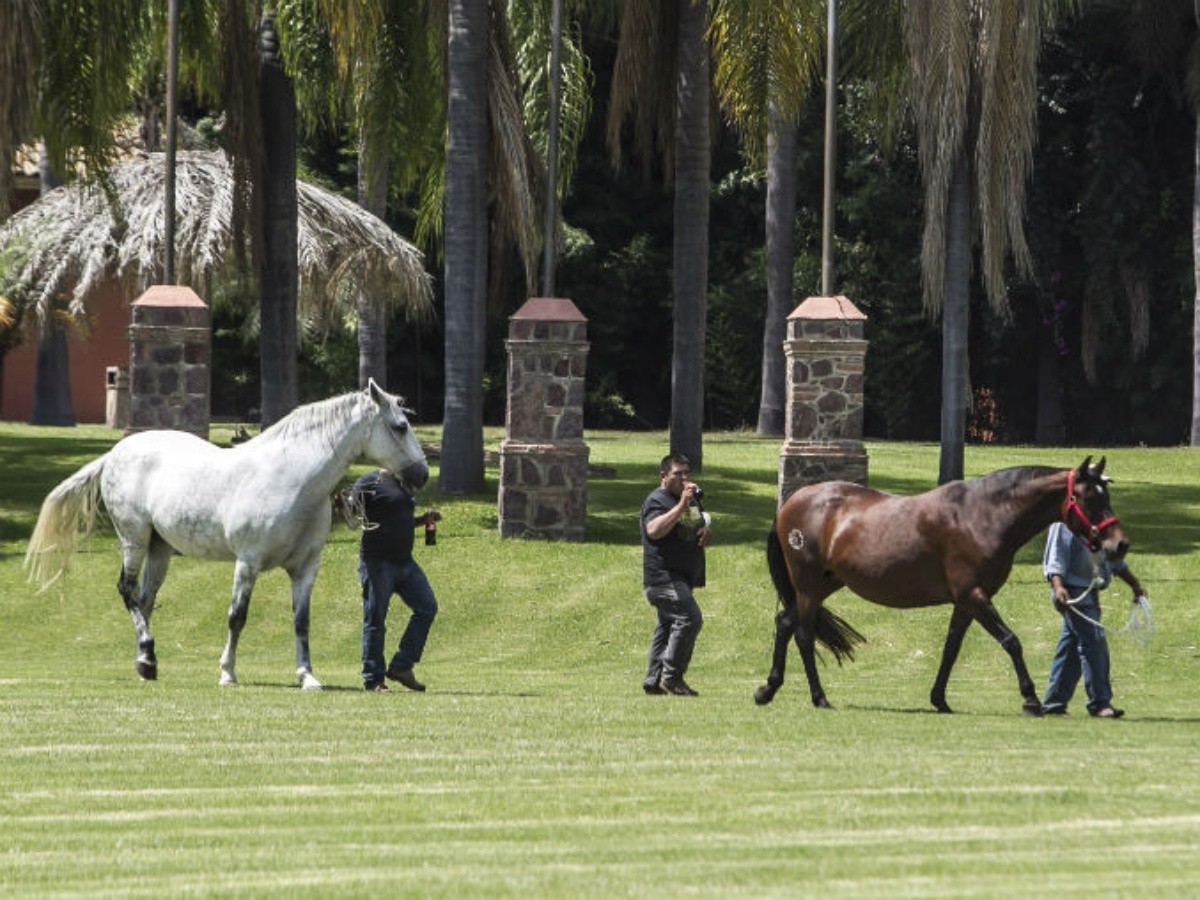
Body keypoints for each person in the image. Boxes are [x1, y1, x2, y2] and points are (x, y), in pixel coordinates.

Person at [1041, 521, 1146, 718]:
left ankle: (1054, 703)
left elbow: (1113, 559)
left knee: (1071, 646)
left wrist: (1134, 584)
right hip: (1071, 592)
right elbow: (1055, 558)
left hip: (1090, 592)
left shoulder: (1097, 522)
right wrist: (1058, 586)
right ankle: (1100, 703)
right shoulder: (1062, 524)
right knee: (1094, 641)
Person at [350, 468, 441, 693]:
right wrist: (344, 507)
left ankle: (401, 667)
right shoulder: (369, 480)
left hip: (404, 562)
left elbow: (400, 521)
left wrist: (423, 521)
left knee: (427, 607)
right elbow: (350, 514)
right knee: (376, 618)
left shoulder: (402, 484)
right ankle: (373, 679)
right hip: (377, 562)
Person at [640, 453, 712, 696]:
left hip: (682, 576)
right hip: (662, 577)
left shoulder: (690, 501)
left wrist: (704, 532)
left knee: (668, 625)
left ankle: (653, 679)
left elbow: (695, 525)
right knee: (690, 618)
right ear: (663, 476)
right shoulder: (656, 500)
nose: (684, 478)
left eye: (686, 473)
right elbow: (654, 530)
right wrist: (682, 503)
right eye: (678, 473)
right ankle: (672, 678)